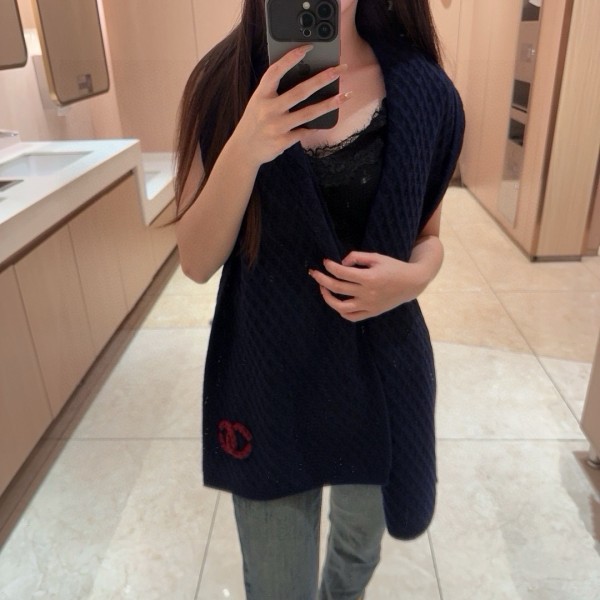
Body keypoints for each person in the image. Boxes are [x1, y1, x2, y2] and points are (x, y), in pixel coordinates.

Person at [174, 0, 464, 598]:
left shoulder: (423, 93)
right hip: (268, 384)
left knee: (358, 550)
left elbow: (428, 238)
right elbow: (196, 261)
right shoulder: (221, 85)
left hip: (378, 380)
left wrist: (411, 280)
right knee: (278, 584)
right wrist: (247, 147)